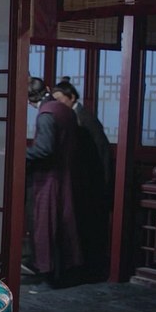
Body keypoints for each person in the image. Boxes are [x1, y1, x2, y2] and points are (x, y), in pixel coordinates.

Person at [51, 77, 111, 279]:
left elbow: (101, 152)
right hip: (81, 179)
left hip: (92, 181)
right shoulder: (72, 115)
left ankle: (90, 270)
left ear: (72, 97)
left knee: (89, 227)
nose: (58, 104)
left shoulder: (84, 118)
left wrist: (103, 183)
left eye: (60, 100)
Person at [25, 77, 83, 285]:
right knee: (62, 222)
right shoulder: (64, 110)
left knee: (45, 224)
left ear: (29, 100)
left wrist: (18, 153)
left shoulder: (46, 114)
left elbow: (44, 149)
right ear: (47, 89)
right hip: (66, 174)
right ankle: (63, 270)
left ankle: (47, 270)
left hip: (49, 177)